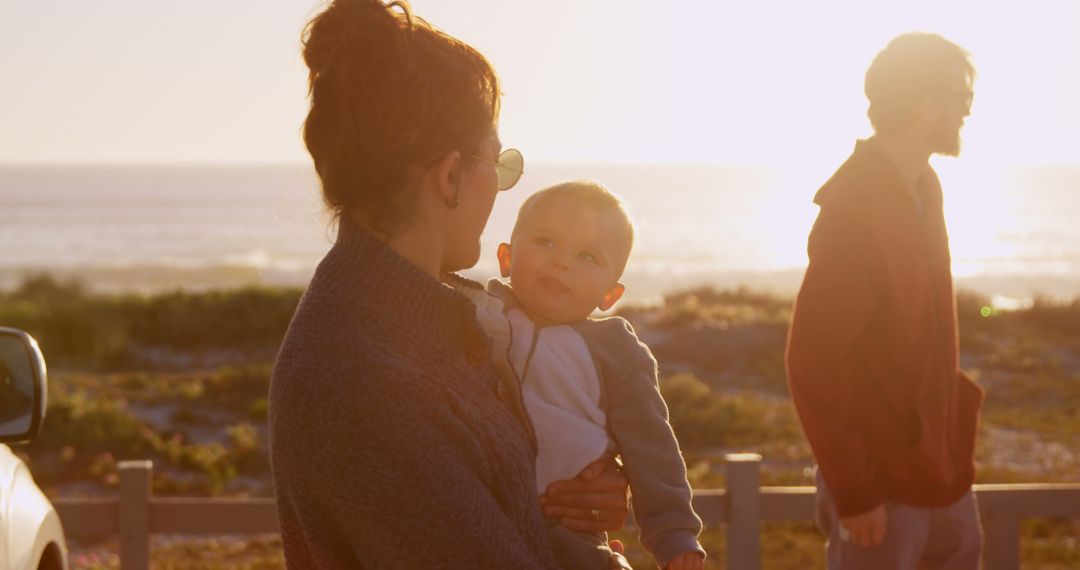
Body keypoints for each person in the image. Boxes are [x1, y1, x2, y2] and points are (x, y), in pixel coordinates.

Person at [268, 1, 631, 567]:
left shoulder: (418, 320)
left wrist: (571, 492)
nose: (501, 191)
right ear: (451, 176)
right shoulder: (362, 377)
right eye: (499, 166)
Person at [785, 32, 986, 569]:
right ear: (926, 106)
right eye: (961, 99)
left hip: (944, 476)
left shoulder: (926, 187)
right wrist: (855, 492)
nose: (967, 112)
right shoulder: (854, 210)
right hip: (882, 488)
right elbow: (812, 361)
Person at [461, 181, 705, 570]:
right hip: (477, 516)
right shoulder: (475, 317)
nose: (562, 263)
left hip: (566, 526)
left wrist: (674, 535)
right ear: (506, 258)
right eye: (546, 242)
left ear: (610, 295)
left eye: (588, 256)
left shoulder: (616, 352)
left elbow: (652, 448)